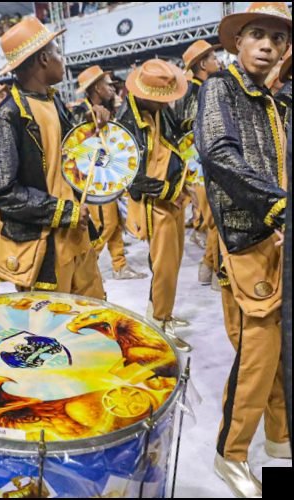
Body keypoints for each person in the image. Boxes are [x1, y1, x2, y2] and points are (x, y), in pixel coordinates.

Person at [196, 3, 291, 496]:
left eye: (277, 38)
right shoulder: (220, 88)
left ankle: (279, 437)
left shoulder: (269, 99)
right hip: (249, 237)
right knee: (256, 352)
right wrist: (279, 208)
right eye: (257, 34)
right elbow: (219, 156)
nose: (268, 45)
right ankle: (229, 453)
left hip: (274, 234)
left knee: (275, 345)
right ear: (237, 42)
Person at [0, 16, 105, 299]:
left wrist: (90, 123)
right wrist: (63, 211)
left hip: (77, 236)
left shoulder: (53, 101)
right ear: (45, 59)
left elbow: (66, 153)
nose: (63, 59)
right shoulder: (7, 118)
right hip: (43, 247)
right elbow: (0, 190)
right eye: (59, 52)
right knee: (51, 333)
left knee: (93, 319)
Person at [116, 59, 192, 352]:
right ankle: (158, 323)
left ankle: (164, 315)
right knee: (161, 267)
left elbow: (173, 133)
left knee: (172, 264)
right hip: (154, 204)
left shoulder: (157, 109)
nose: (166, 104)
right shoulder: (127, 122)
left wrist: (194, 124)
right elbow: (131, 177)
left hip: (172, 198)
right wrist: (166, 190)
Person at [72, 65, 146, 281]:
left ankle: (120, 265)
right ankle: (86, 268)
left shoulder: (109, 111)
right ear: (96, 87)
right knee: (105, 225)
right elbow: (78, 149)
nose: (113, 88)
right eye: (107, 84)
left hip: (109, 178)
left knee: (115, 226)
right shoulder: (82, 113)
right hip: (94, 182)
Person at [177, 40, 223, 288]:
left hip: (197, 169)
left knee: (211, 220)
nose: (218, 62)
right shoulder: (199, 92)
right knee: (215, 219)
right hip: (200, 168)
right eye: (214, 58)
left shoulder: (194, 89)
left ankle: (208, 267)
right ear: (203, 64)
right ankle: (216, 272)